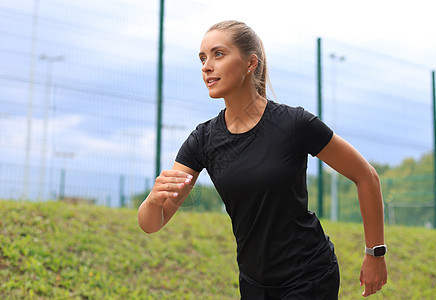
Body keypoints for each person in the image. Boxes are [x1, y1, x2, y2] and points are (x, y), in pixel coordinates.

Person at [138, 20, 387, 299]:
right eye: (202, 58)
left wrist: (374, 253)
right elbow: (152, 223)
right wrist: (154, 199)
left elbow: (366, 176)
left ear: (250, 63)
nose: (206, 66)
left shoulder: (294, 124)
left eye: (218, 54)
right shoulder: (203, 139)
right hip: (254, 283)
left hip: (309, 277)